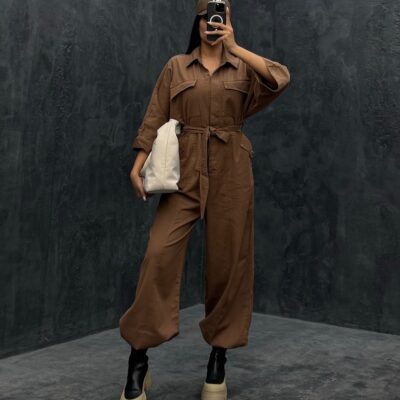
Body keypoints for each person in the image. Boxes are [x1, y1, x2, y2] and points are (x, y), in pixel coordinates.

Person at [119, 1, 291, 399]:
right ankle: (138, 357)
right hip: (184, 168)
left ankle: (218, 357)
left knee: (228, 262)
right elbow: (155, 115)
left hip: (232, 169)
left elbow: (280, 78)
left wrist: (235, 46)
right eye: (206, 18)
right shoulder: (177, 66)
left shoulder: (243, 67)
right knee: (158, 254)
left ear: (227, 22)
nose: (212, 24)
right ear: (197, 23)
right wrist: (138, 164)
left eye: (220, 17)